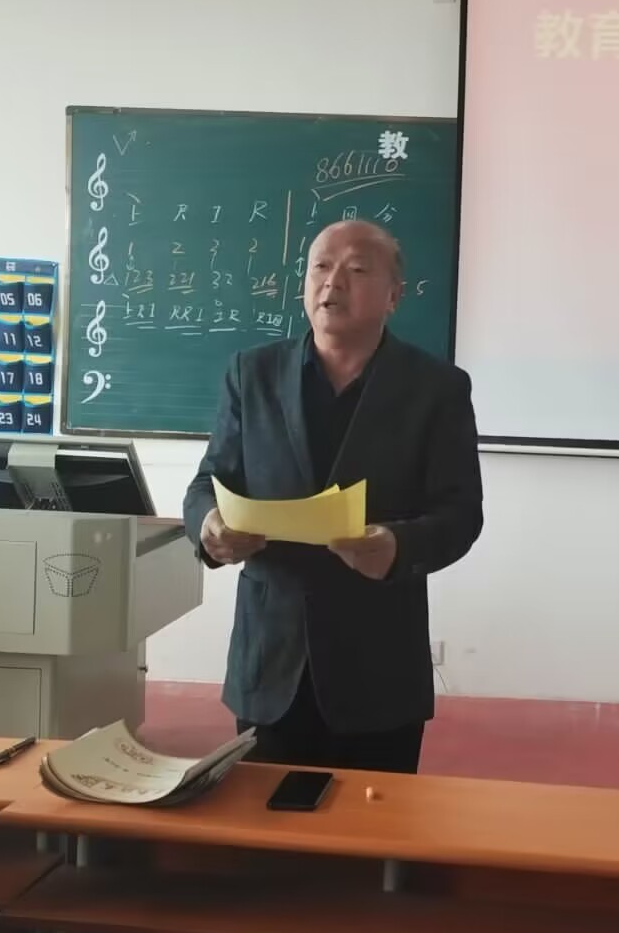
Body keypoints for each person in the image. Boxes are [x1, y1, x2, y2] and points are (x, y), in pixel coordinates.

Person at [183, 220, 482, 774]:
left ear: (394, 296)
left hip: (378, 669)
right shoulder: (252, 373)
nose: (332, 281)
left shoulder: (436, 388)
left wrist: (397, 545)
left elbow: (461, 513)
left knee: (375, 823)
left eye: (357, 269)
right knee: (263, 821)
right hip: (270, 662)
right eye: (321, 266)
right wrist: (209, 527)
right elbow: (208, 482)